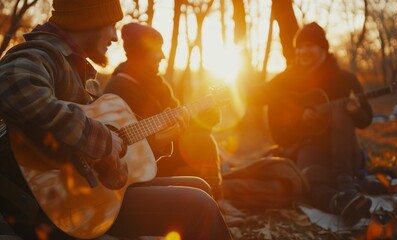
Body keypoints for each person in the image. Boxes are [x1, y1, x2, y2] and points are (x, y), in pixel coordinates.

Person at [0, 1, 232, 239]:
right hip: (55, 208)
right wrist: (102, 139)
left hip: (85, 195)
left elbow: (101, 148)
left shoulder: (79, 71)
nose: (114, 37)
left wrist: (154, 142)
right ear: (89, 21)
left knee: (199, 186)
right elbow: (15, 89)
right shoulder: (40, 54)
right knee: (199, 206)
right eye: (111, 26)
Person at [103, 23, 245, 223]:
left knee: (201, 148)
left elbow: (183, 121)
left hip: (168, 154)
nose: (162, 56)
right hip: (143, 165)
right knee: (202, 148)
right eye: (157, 50)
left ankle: (216, 199)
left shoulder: (160, 84)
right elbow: (132, 147)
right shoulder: (119, 88)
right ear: (140, 53)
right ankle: (216, 204)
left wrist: (207, 112)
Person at [247, 22, 373, 226]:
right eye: (300, 46)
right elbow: (255, 96)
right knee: (308, 175)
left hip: (342, 149)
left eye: (310, 46)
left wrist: (356, 111)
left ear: (323, 49)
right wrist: (297, 116)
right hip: (308, 147)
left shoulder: (345, 79)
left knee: (339, 110)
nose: (304, 51)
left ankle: (345, 183)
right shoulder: (287, 78)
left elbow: (366, 118)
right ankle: (340, 202)